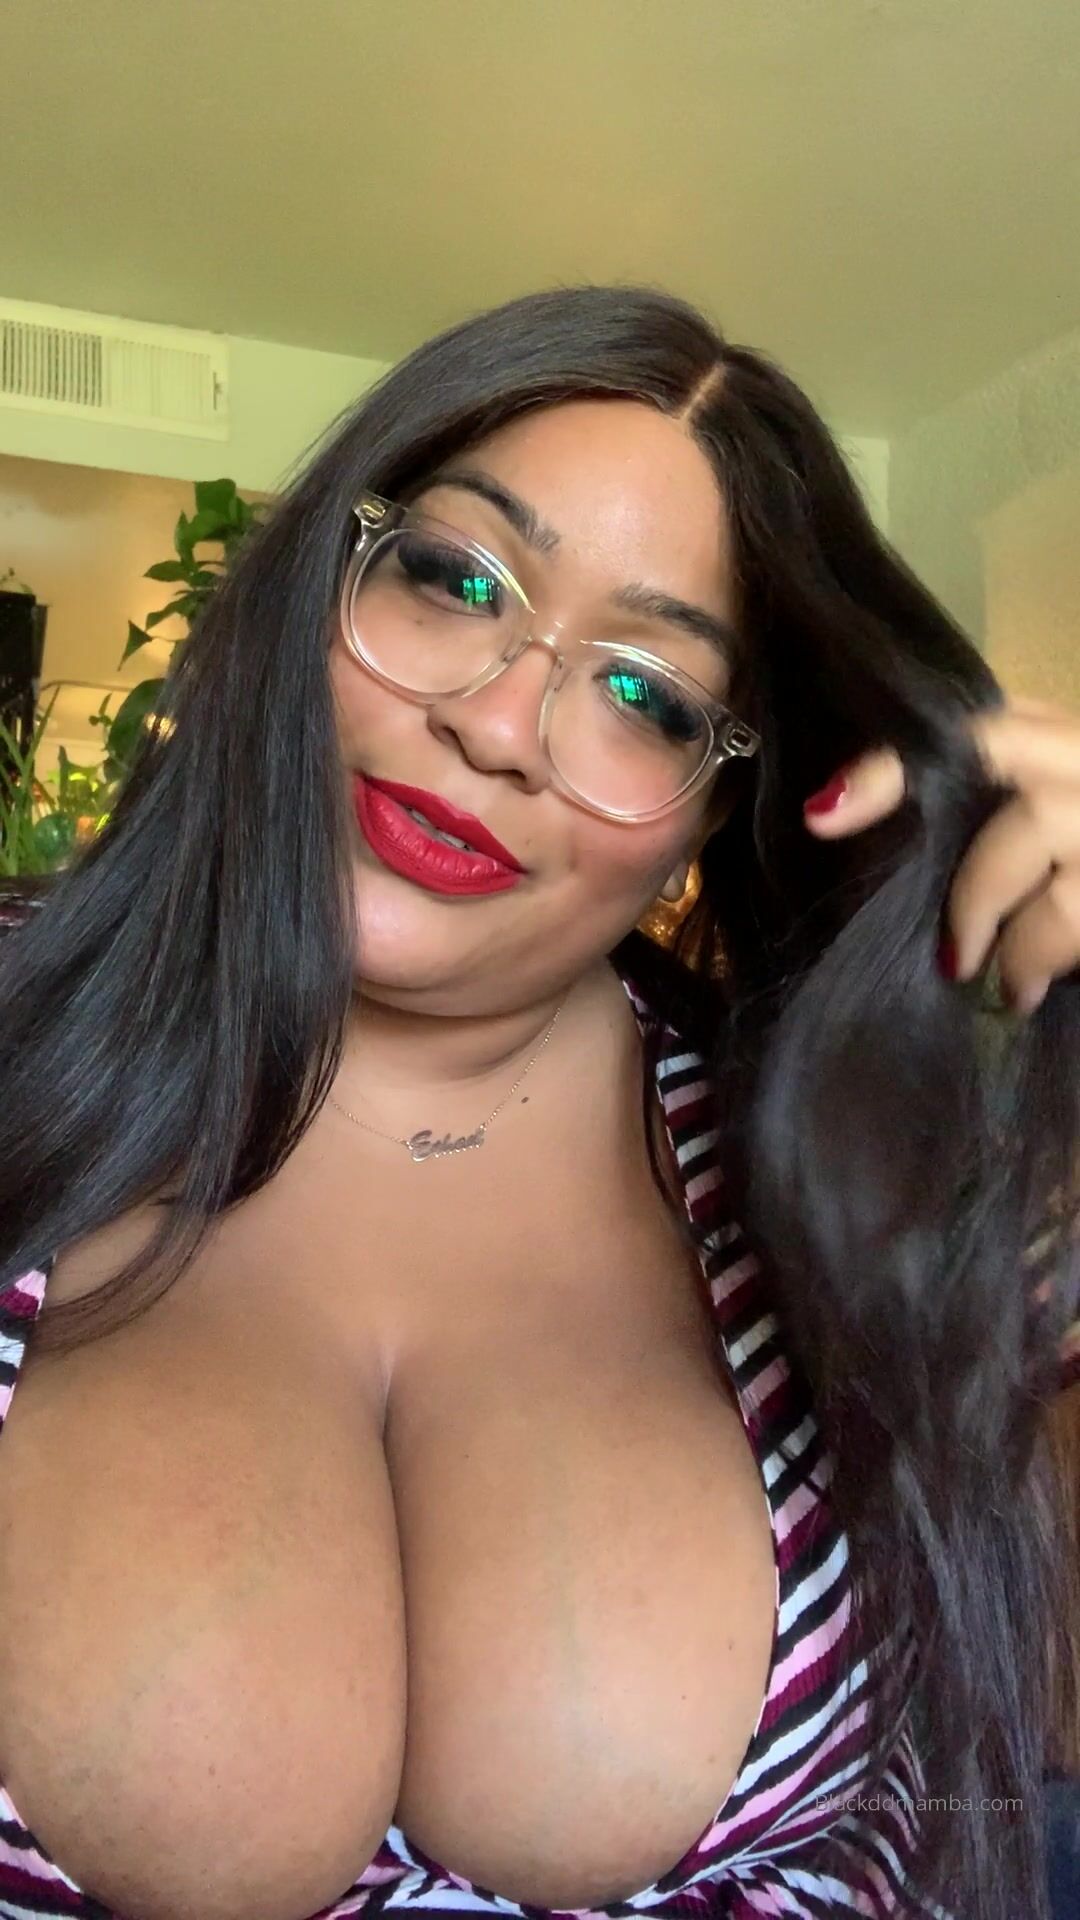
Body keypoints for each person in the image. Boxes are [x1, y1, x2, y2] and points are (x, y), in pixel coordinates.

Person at [0, 284, 1077, 1920]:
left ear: (724, 799)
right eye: (455, 579)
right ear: (322, 577)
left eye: (648, 694)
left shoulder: (839, 1174)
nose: (499, 725)